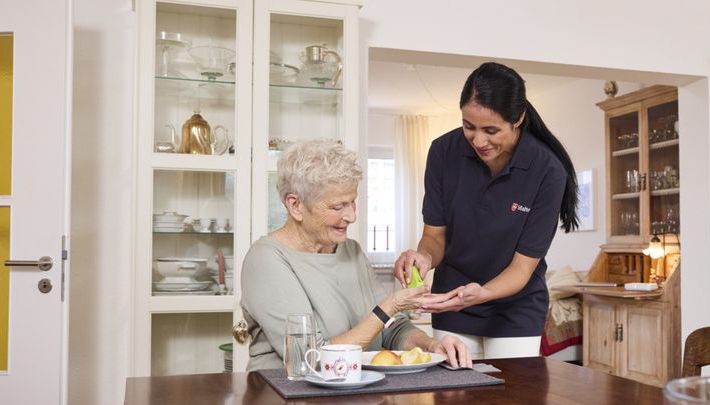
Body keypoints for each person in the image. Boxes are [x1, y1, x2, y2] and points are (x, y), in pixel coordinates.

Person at [394, 62, 579, 359]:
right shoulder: (443, 152)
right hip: (452, 302)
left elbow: (522, 269)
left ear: (518, 119)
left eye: (491, 130)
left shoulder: (547, 170)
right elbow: (434, 237)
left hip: (515, 309)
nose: (479, 140)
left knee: (511, 404)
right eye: (469, 126)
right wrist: (423, 258)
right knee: (455, 399)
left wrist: (482, 293)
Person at [241, 140, 470, 372]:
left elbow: (392, 328)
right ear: (295, 205)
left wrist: (432, 346)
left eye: (352, 202)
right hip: (285, 399)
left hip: (353, 396)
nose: (351, 216)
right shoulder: (266, 260)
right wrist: (391, 304)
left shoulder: (351, 251)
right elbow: (309, 359)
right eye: (337, 206)